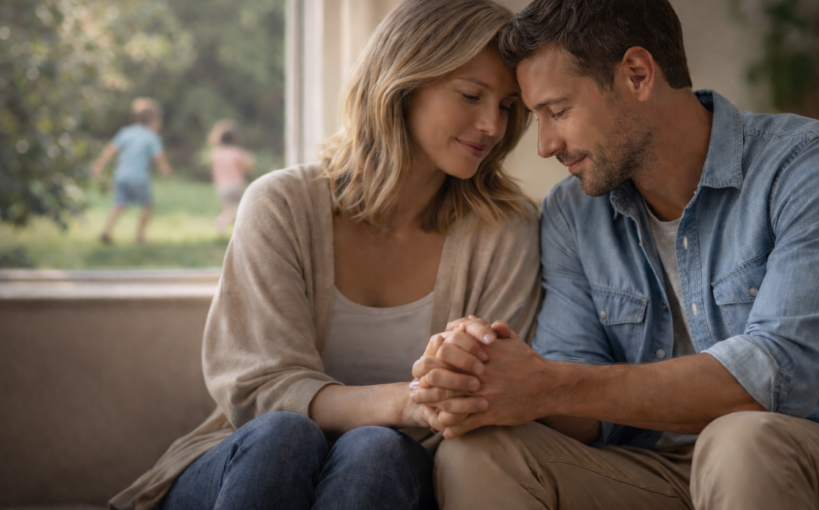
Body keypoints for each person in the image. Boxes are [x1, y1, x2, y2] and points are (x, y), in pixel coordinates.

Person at [109, 0, 541, 509]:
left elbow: (489, 394)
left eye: (508, 105)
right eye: (471, 95)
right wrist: (409, 402)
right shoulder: (281, 205)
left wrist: (438, 402)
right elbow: (260, 390)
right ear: (401, 84)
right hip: (255, 465)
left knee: (376, 449)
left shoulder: (505, 230)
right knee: (283, 436)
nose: (492, 124)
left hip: (391, 476)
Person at [410, 0, 819, 509]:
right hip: (653, 469)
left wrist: (549, 385)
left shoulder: (802, 168)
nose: (544, 144)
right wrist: (484, 375)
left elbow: (776, 375)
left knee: (737, 439)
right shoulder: (572, 213)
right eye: (535, 117)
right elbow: (578, 404)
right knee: (479, 452)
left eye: (558, 111)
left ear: (636, 74)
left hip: (790, 450)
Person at [91, 98, 172, 244]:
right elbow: (159, 158)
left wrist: (99, 165)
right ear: (153, 120)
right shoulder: (151, 137)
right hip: (138, 177)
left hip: (121, 175)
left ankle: (106, 231)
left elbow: (110, 150)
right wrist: (165, 170)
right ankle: (139, 235)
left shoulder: (126, 132)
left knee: (120, 204)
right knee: (148, 205)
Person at [207, 120, 254, 236]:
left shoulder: (215, 153)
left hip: (222, 187)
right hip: (236, 184)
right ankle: (223, 223)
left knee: (228, 210)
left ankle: (226, 226)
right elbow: (248, 165)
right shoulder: (237, 152)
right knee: (243, 209)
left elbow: (214, 170)